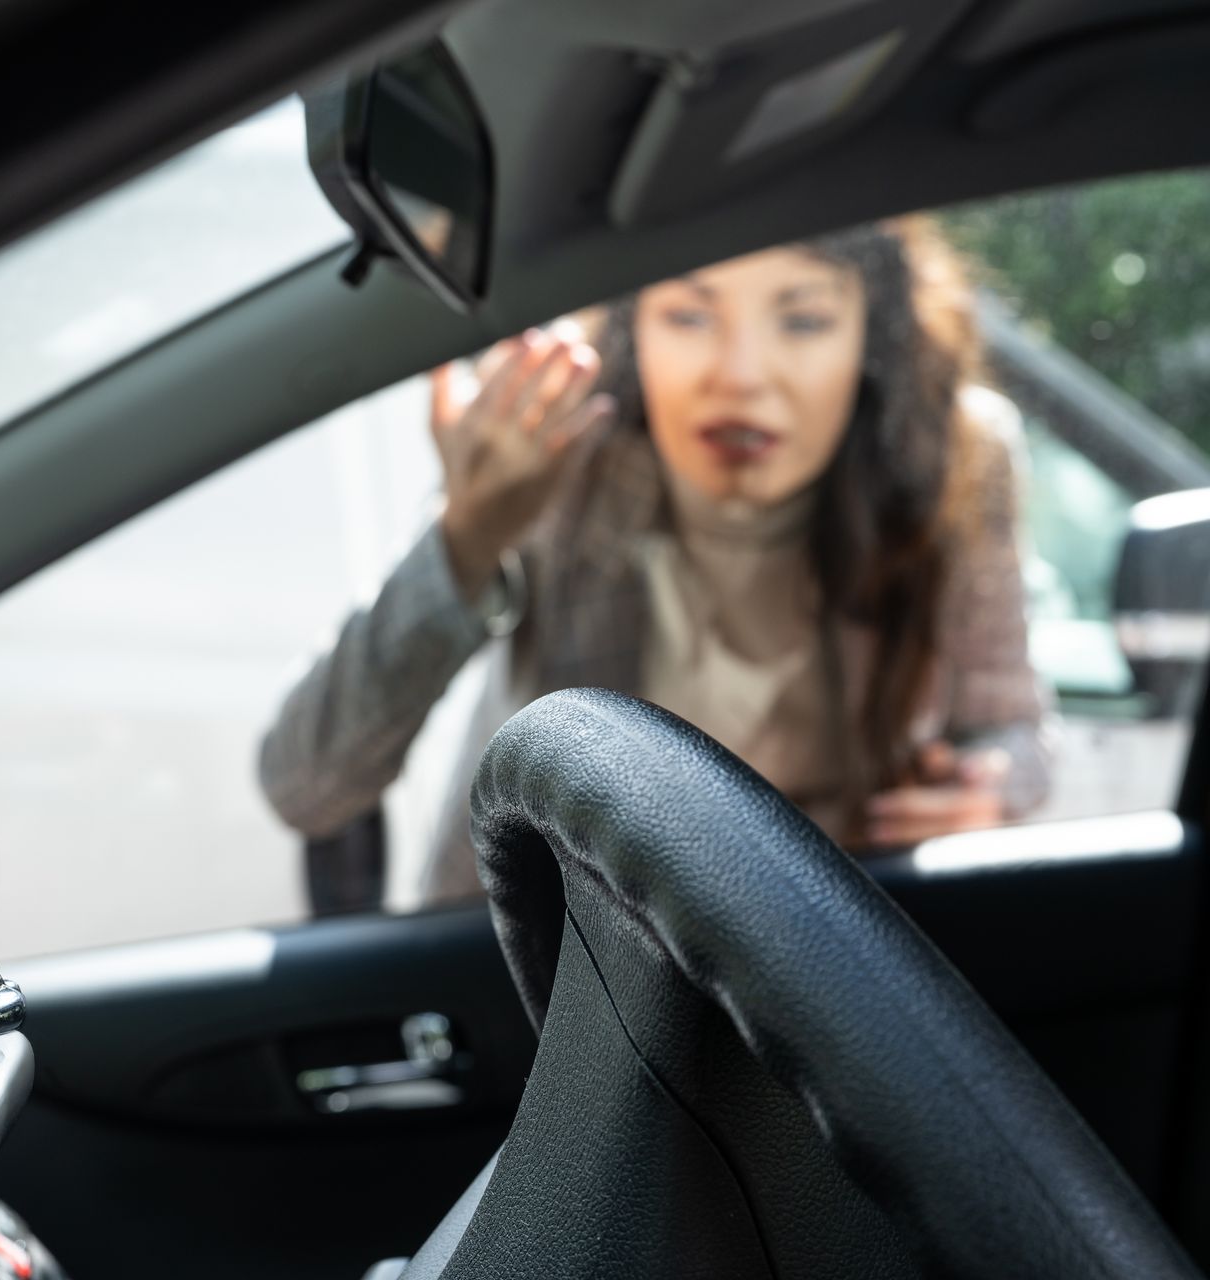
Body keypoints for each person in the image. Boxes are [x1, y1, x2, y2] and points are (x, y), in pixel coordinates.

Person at [259, 217, 1055, 903]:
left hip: (831, 992)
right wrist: (468, 536)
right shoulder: (561, 453)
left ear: (871, 334)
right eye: (687, 314)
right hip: (563, 984)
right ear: (633, 326)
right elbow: (310, 784)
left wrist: (988, 793)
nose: (741, 376)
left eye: (804, 320)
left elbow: (1010, 730)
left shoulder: (954, 463)